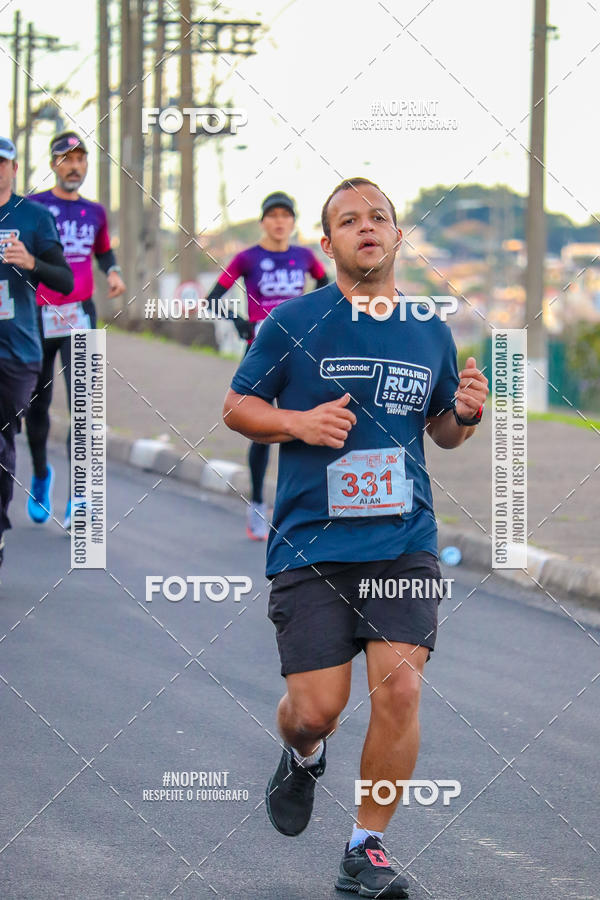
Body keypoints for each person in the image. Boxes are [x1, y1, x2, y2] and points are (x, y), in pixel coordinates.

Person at [223, 177, 489, 897]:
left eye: (379, 217)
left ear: (399, 236)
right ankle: (302, 755)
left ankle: (364, 849)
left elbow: (441, 431)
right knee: (316, 711)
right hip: (312, 544)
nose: (366, 227)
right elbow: (237, 405)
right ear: (328, 243)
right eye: (349, 219)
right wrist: (296, 424)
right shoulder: (293, 322)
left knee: (400, 688)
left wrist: (464, 415)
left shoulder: (430, 329)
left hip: (404, 540)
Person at [207, 191, 328, 541]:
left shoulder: (305, 257)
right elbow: (214, 298)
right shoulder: (247, 258)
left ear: (293, 222)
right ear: (263, 222)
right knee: (260, 430)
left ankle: (306, 506)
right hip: (261, 350)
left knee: (308, 423)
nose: (279, 222)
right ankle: (257, 504)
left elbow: (327, 288)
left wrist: (313, 321)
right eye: (272, 216)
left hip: (301, 352)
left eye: (285, 216)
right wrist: (240, 323)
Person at [25, 131, 125, 530]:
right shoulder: (33, 208)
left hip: (81, 312)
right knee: (37, 402)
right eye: (66, 159)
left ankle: (79, 498)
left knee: (83, 410)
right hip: (38, 313)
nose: (74, 166)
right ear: (53, 164)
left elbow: (103, 250)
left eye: (80, 159)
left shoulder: (95, 212)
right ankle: (38, 475)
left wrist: (113, 271)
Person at [0, 137, 73, 566]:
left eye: (2, 163)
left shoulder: (34, 217)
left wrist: (31, 262)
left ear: (12, 168)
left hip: (17, 351)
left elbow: (63, 280)